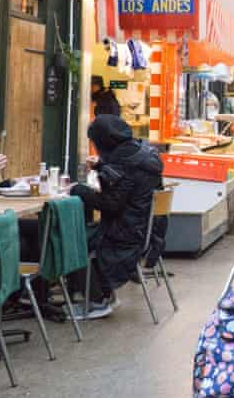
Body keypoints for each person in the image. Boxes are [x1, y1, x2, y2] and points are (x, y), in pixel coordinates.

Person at [68, 114, 163, 319]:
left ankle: (96, 300)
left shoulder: (123, 163)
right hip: (141, 230)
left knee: (71, 242)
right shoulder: (142, 153)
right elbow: (128, 186)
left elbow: (111, 205)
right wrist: (102, 167)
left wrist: (79, 190)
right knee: (80, 236)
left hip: (123, 234)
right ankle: (103, 295)